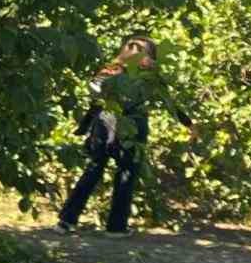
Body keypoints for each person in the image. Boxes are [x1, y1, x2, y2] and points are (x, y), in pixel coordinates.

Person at [56, 35, 194, 236]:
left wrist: (189, 123)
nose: (144, 58)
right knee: (95, 169)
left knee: (125, 174)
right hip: (109, 123)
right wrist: (85, 126)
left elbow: (168, 101)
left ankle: (116, 225)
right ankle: (67, 220)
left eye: (147, 54)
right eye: (139, 52)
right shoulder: (112, 70)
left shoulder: (149, 78)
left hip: (132, 126)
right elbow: (96, 95)